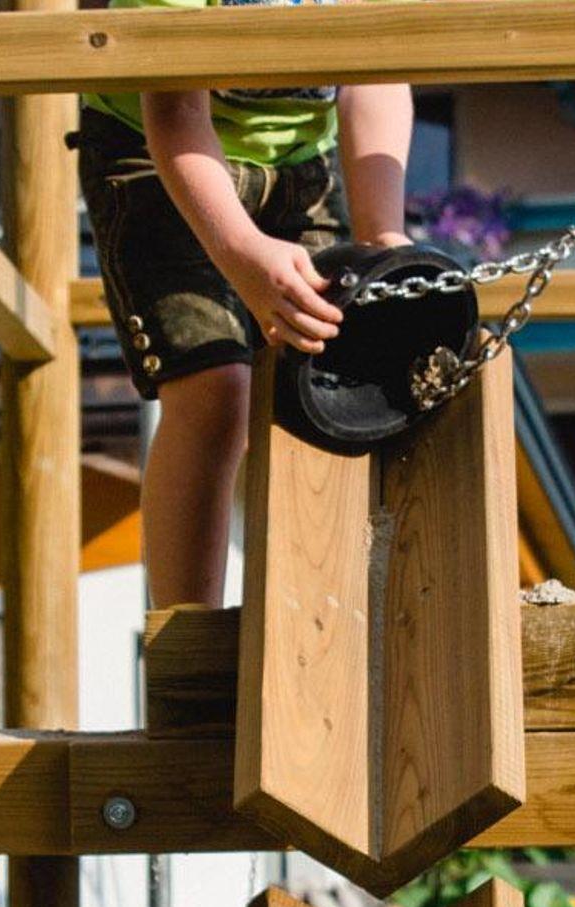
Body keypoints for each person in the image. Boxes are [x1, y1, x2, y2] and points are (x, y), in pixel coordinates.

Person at [76, 8, 414, 607]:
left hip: (300, 161)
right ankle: (188, 629)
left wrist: (381, 234)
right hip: (155, 148)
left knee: (328, 378)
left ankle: (315, 618)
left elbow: (378, 72)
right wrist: (239, 249)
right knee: (216, 390)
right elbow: (175, 111)